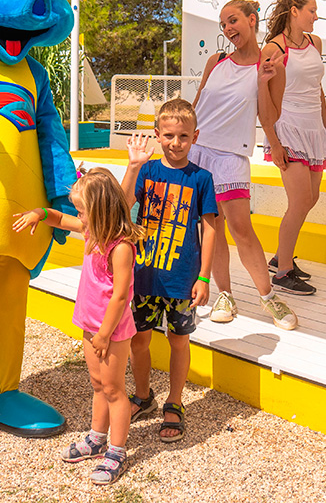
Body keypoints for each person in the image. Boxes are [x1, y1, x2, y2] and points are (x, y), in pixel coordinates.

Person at [15, 168, 138, 485]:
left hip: (110, 330)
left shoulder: (120, 246)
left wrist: (104, 334)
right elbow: (57, 219)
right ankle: (97, 438)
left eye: (83, 210)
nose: (79, 217)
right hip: (91, 324)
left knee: (114, 390)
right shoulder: (93, 231)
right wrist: (38, 214)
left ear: (100, 210)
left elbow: (121, 295)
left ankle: (117, 450)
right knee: (98, 384)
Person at [193, 0, 298, 330]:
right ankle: (225, 294)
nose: (228, 29)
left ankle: (268, 297)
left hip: (231, 156)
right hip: (197, 151)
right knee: (211, 228)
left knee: (241, 228)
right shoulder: (216, 61)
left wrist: (264, 81)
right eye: (223, 24)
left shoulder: (272, 67)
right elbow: (197, 106)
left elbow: (269, 119)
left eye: (233, 20)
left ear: (252, 20)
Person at [121, 98, 217, 443]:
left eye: (184, 137)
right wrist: (133, 166)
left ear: (195, 136)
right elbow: (122, 204)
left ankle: (174, 401)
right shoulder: (146, 171)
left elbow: (210, 229)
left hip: (182, 278)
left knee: (179, 340)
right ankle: (144, 395)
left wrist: (204, 277)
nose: (176, 143)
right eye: (169, 136)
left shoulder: (202, 178)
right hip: (145, 274)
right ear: (158, 135)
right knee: (139, 339)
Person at [259, 0, 326, 295]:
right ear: (295, 12)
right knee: (300, 200)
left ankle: (282, 257)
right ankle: (282, 273)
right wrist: (274, 142)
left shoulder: (314, 42)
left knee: (311, 198)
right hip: (288, 128)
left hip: (314, 127)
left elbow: (318, 89)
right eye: (312, 11)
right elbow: (263, 98)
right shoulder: (274, 49)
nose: (316, 17)